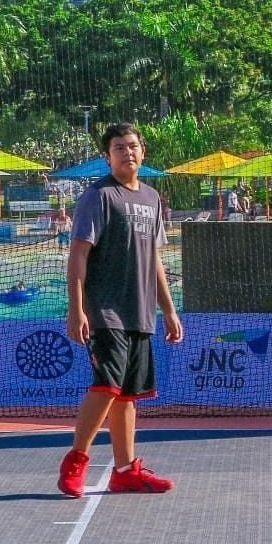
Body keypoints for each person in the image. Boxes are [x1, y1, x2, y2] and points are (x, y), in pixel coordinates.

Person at [56, 123, 185, 499]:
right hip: (105, 310)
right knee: (107, 386)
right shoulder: (98, 197)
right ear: (107, 156)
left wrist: (170, 310)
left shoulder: (151, 198)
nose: (127, 152)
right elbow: (78, 255)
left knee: (127, 393)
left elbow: (155, 260)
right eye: (118, 147)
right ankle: (76, 459)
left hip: (140, 311)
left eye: (132, 146)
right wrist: (76, 309)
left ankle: (126, 470)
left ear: (142, 152)